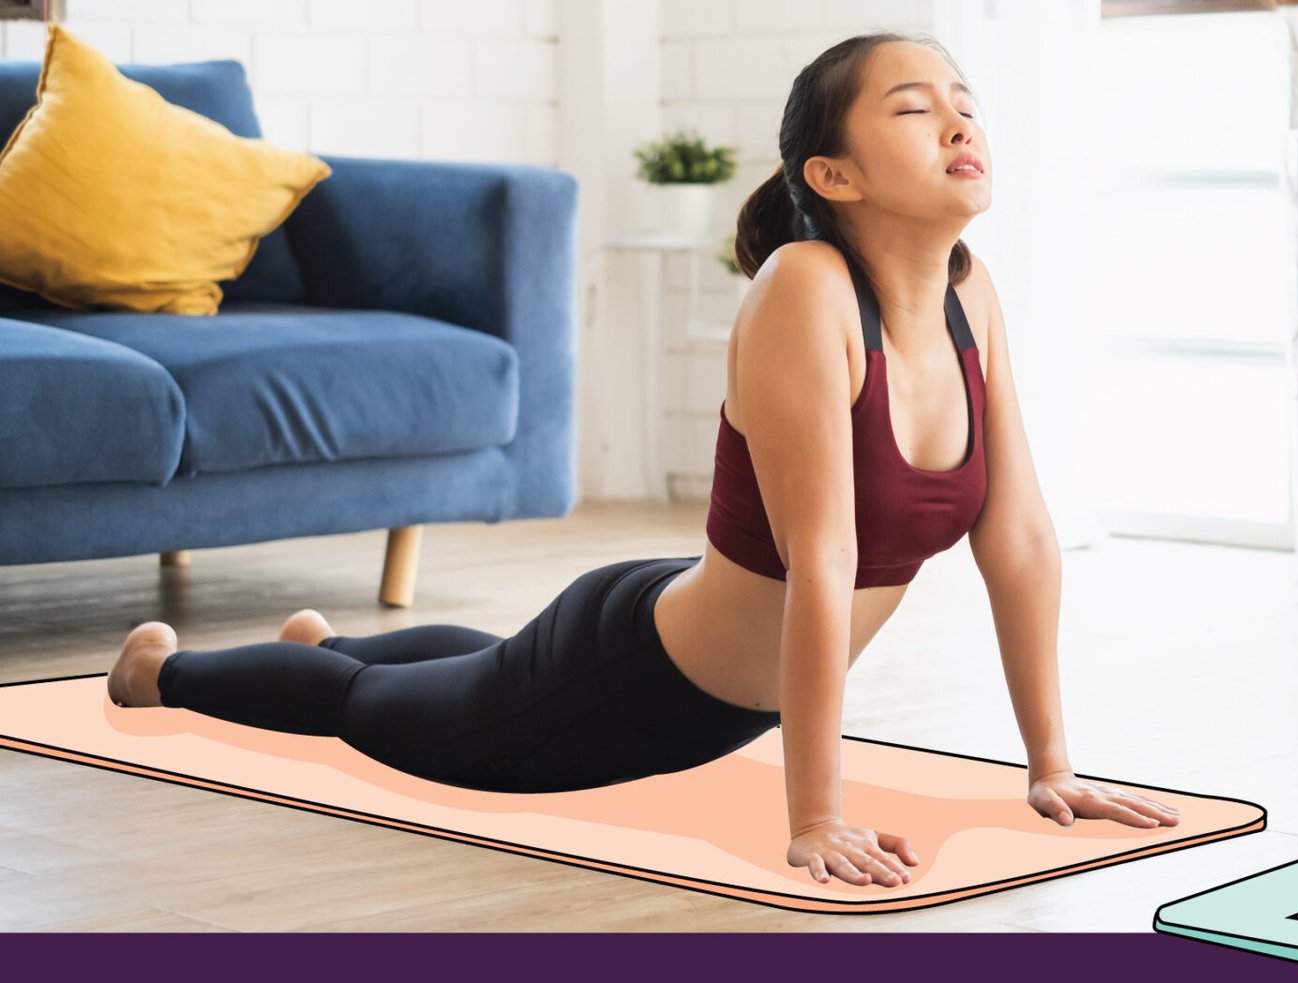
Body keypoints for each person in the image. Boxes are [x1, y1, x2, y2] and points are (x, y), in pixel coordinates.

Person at [103, 32, 1179, 889]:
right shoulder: (808, 288)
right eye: (913, 106)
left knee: (482, 666)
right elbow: (825, 560)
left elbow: (1022, 536)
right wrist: (815, 818)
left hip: (691, 653)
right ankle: (162, 673)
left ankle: (332, 638)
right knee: (371, 713)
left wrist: (1053, 767)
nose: (956, 118)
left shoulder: (969, 294)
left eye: (964, 100)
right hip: (628, 680)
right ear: (832, 173)